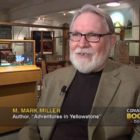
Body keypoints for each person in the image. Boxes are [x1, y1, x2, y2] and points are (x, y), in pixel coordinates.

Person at [19, 4, 140, 140]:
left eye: (93, 35)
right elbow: (33, 124)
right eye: (76, 35)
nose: (82, 43)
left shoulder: (135, 83)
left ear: (111, 41)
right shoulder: (52, 80)